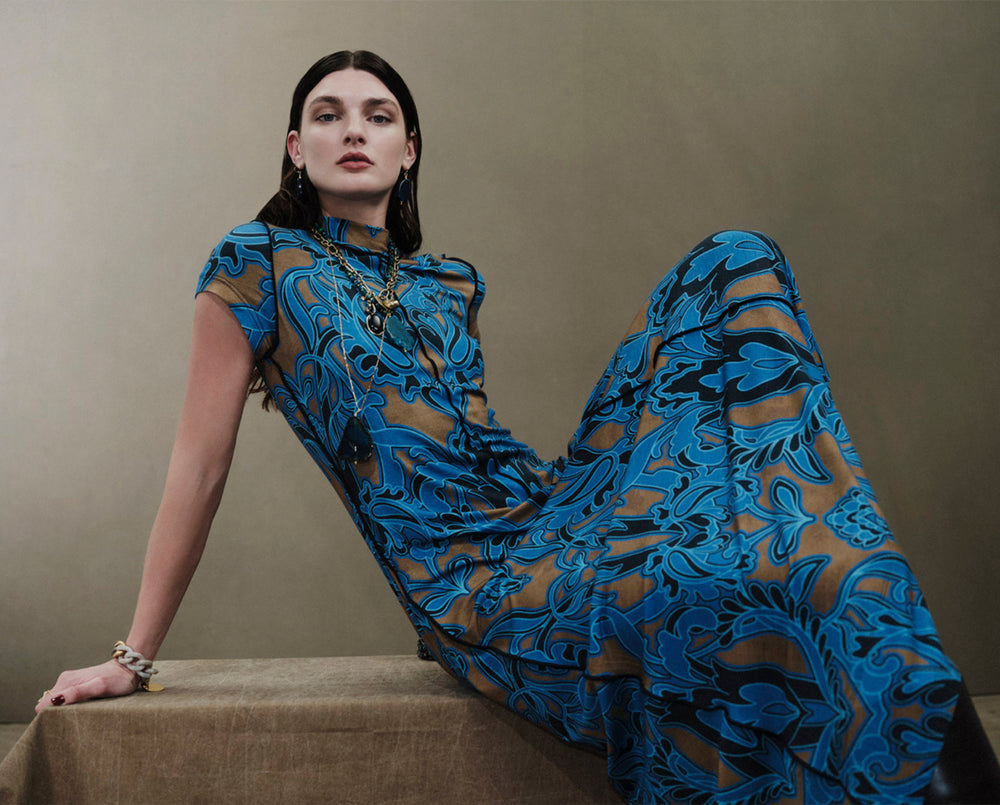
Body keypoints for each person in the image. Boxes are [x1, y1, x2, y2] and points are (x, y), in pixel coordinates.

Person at [36, 51, 1000, 804]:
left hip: (549, 510)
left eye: (379, 115)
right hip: (469, 580)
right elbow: (199, 465)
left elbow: (476, 442)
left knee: (737, 265)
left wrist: (583, 510)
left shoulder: (449, 283)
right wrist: (132, 657)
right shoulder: (255, 265)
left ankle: (796, 542)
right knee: (726, 584)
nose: (354, 129)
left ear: (411, 149)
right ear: (295, 147)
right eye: (327, 115)